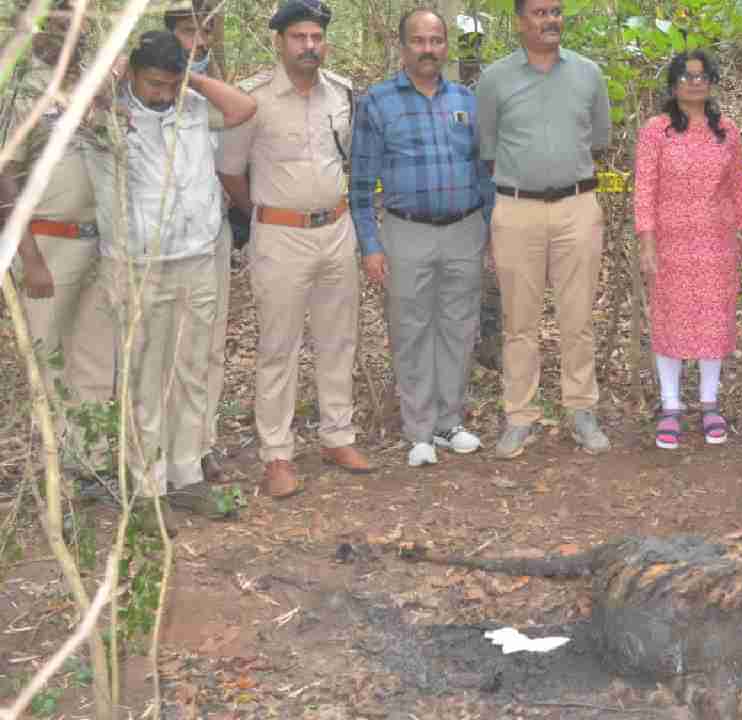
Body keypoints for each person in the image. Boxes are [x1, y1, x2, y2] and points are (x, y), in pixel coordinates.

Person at [86, 30, 257, 534]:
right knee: (144, 377)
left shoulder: (193, 108)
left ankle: (185, 476)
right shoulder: (106, 118)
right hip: (138, 268)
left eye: (168, 83)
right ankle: (146, 486)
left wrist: (191, 76)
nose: (161, 93)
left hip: (198, 258)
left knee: (191, 371)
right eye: (152, 82)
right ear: (132, 74)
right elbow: (67, 109)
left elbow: (244, 108)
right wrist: (116, 71)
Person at [218, 0, 372, 498]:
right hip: (279, 235)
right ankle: (277, 454)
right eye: (299, 38)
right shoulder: (253, 98)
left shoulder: (343, 93)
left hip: (336, 229)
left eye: (316, 38)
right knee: (278, 347)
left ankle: (337, 436)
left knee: (338, 338)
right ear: (279, 42)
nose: (309, 46)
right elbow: (230, 172)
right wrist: (265, 215)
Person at [350, 8, 494, 468]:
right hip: (406, 230)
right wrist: (371, 244)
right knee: (411, 329)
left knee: (458, 326)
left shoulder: (467, 101)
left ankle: (450, 422)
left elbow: (483, 172)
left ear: (446, 45)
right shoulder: (377, 102)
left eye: (436, 40)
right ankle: (419, 431)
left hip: (465, 229)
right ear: (403, 46)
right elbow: (359, 183)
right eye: (419, 40)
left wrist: (491, 230)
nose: (428, 49)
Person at [475, 0, 612, 459]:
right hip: (517, 211)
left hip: (577, 205)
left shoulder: (588, 74)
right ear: (519, 22)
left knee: (578, 318)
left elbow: (598, 139)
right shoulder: (495, 79)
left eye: (555, 11)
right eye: (539, 12)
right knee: (520, 321)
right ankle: (519, 416)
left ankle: (581, 411)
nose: (550, 19)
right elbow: (488, 147)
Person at [0, 3, 114, 473]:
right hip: (48, 246)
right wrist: (29, 257)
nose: (68, 25)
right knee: (51, 364)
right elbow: (4, 176)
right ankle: (58, 473)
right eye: (58, 14)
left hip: (100, 245)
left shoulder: (94, 86)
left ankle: (94, 465)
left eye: (77, 15)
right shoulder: (22, 90)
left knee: (94, 358)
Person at [633, 50, 742, 450]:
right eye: (686, 76)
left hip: (715, 241)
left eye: (702, 76)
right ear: (673, 83)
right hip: (670, 242)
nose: (694, 82)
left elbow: (738, 185)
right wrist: (647, 242)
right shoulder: (658, 129)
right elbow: (645, 188)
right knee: (670, 317)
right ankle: (670, 404)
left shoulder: (728, 131)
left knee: (713, 318)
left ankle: (709, 402)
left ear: (712, 81)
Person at [164, 0, 234, 486]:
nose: (200, 42)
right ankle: (159, 451)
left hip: (212, 236)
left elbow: (241, 115)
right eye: (189, 32)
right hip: (160, 246)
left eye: (206, 32)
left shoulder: (212, 92)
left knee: (208, 348)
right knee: (164, 352)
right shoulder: (145, 91)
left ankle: (200, 445)